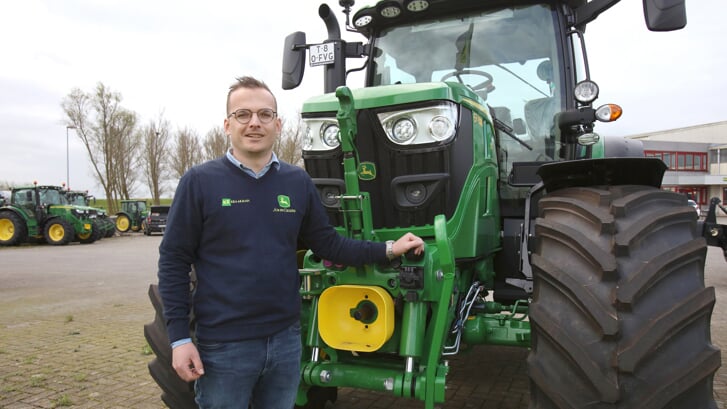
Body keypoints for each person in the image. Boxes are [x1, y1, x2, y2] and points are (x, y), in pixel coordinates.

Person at [157, 76, 425, 409]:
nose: (254, 122)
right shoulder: (199, 182)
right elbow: (173, 261)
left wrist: (388, 249)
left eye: (265, 114)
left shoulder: (296, 181)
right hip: (225, 347)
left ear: (278, 124)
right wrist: (180, 338)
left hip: (285, 342)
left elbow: (328, 245)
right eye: (243, 115)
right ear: (227, 125)